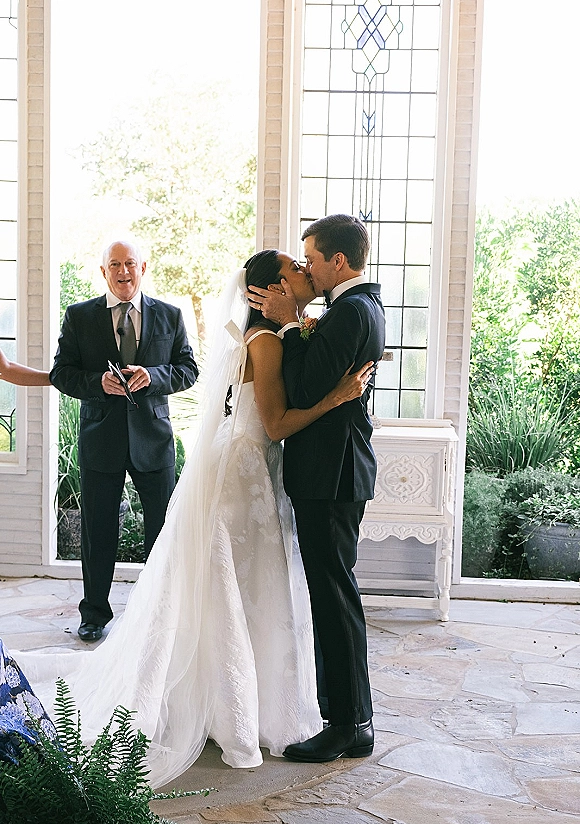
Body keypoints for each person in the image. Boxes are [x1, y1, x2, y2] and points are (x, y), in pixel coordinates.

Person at [13, 249, 374, 786]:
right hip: (242, 478)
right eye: (295, 269)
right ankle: (220, 704)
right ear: (270, 288)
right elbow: (274, 425)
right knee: (236, 588)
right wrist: (339, 396)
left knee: (235, 590)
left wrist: (300, 325)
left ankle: (222, 697)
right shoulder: (267, 342)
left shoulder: (273, 333)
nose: (304, 271)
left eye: (305, 265)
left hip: (243, 468)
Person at [247, 214, 386, 763]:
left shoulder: (351, 311)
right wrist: (299, 324)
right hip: (332, 472)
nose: (306, 267)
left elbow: (303, 387)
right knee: (335, 594)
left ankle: (347, 724)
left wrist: (287, 325)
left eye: (311, 258)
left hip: (331, 476)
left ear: (337, 261)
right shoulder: (355, 308)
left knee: (333, 597)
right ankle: (354, 717)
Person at [50, 241, 199, 643]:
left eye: (129, 263)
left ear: (143, 267)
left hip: (154, 440)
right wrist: (97, 383)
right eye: (114, 264)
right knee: (98, 531)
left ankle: (157, 613)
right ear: (103, 272)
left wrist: (154, 376)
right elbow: (61, 374)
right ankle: (94, 613)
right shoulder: (79, 316)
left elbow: (188, 369)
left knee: (160, 531)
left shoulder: (170, 315)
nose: (123, 271)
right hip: (101, 439)